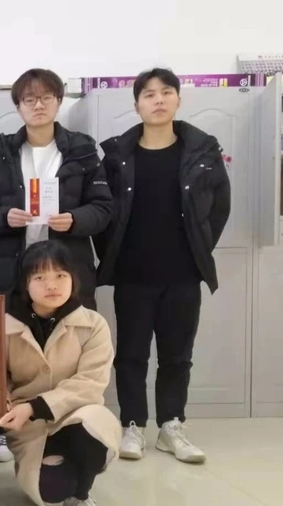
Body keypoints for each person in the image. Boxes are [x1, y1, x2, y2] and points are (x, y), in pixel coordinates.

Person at [0, 68, 113, 463]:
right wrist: (5, 217)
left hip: (66, 269)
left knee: (68, 348)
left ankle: (67, 418)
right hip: (13, 269)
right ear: (18, 106)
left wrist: (75, 220)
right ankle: (4, 426)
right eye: (29, 99)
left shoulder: (83, 152)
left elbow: (104, 208)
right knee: (7, 350)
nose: (38, 105)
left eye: (46, 97)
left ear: (58, 102)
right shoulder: (3, 155)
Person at [96, 68, 231, 464]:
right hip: (133, 274)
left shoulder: (202, 152)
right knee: (131, 354)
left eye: (166, 92)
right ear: (137, 104)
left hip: (183, 274)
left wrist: (198, 249)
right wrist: (114, 254)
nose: (158, 100)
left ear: (178, 100)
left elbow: (220, 207)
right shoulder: (118, 156)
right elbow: (104, 213)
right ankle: (132, 425)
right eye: (149, 94)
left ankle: (171, 426)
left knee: (177, 356)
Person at [0, 240, 121, 506]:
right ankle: (58, 474)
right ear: (25, 283)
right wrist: (2, 400)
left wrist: (35, 405)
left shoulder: (93, 324)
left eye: (60, 275)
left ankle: (81, 496)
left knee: (96, 433)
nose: (51, 285)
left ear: (73, 279)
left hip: (77, 416)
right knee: (52, 488)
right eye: (40, 277)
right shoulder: (3, 325)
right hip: (29, 426)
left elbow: (91, 382)